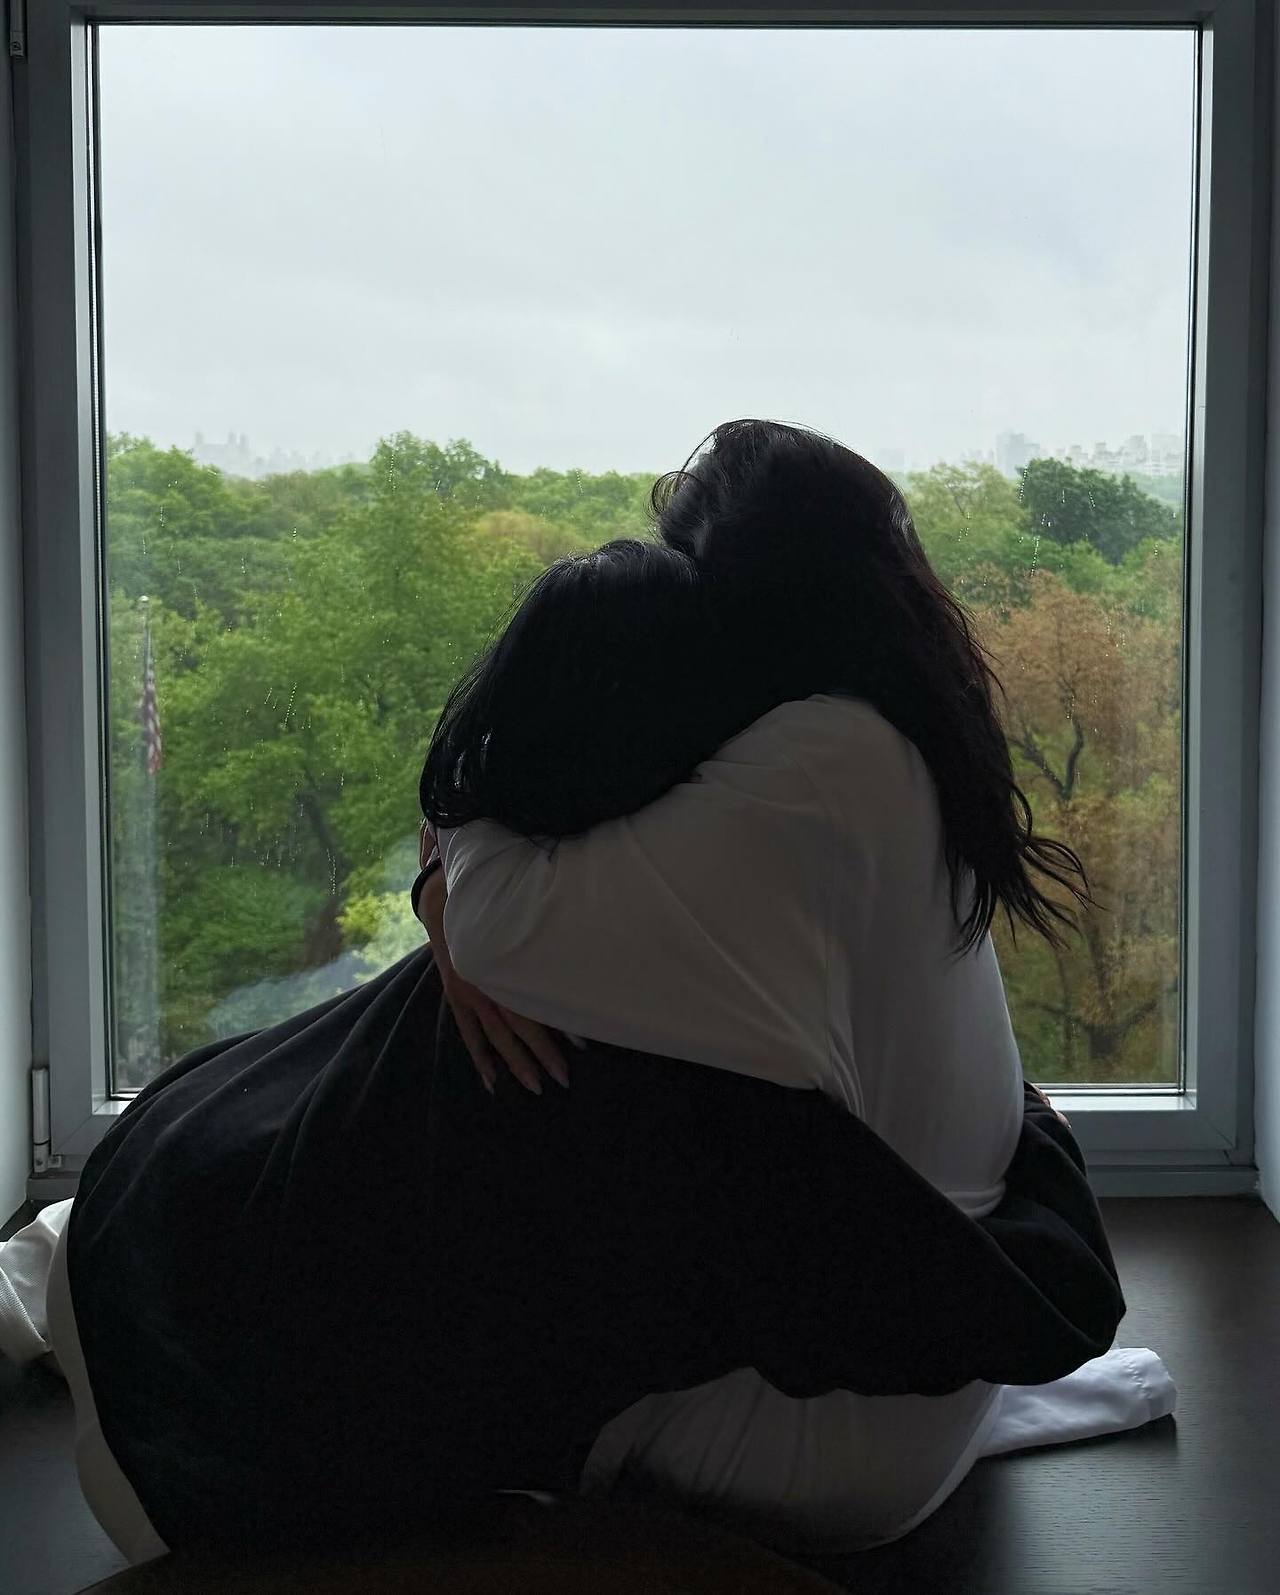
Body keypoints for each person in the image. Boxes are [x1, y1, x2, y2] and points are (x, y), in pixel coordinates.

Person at [0, 533, 1153, 1567]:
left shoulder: (540, 936)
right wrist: (1033, 1148)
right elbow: (957, 1295)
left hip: (145, 1232)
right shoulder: (650, 1055)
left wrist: (447, 881)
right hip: (187, 1446)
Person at [414, 419, 1176, 1554]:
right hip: (920, 1357)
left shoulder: (819, 763)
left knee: (464, 1066)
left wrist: (443, 866)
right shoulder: (892, 739)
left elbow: (502, 922)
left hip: (829, 1427)